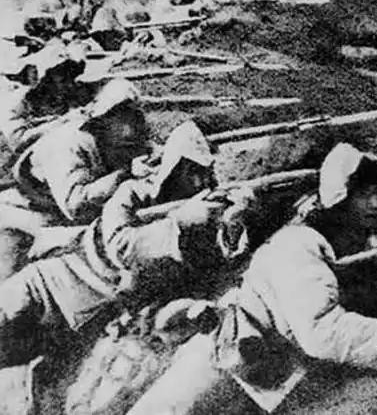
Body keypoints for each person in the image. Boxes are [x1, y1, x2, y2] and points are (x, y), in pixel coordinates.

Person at [127, 142, 377, 414]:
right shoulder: (297, 245)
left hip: (259, 375)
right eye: (364, 196)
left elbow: (366, 282)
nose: (376, 204)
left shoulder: (342, 242)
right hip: (221, 370)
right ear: (339, 202)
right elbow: (320, 334)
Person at [0, 120, 244, 372]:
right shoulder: (133, 193)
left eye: (206, 174)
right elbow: (121, 246)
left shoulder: (202, 220)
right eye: (193, 172)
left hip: (82, 322)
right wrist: (179, 223)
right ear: (176, 167)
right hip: (49, 288)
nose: (202, 182)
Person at [0, 80, 148, 280]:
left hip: (60, 216)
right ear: (103, 118)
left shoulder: (122, 138)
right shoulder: (68, 143)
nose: (130, 126)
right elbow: (75, 206)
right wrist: (125, 174)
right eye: (122, 115)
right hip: (25, 215)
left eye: (134, 115)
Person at [0, 39, 93, 153]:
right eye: (61, 78)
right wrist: (61, 121)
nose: (69, 84)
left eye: (68, 76)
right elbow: (18, 141)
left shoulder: (66, 91)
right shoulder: (15, 102)